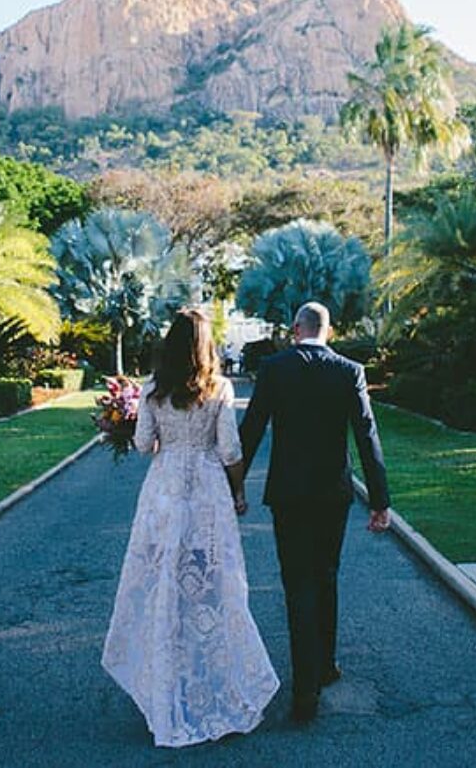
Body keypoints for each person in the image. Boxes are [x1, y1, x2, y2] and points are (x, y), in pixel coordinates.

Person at [102, 307, 279, 747]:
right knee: (212, 586)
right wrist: (238, 493)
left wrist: (133, 426)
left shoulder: (152, 389)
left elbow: (144, 445)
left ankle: (164, 684)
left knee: (163, 584)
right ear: (205, 345)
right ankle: (213, 681)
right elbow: (230, 449)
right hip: (206, 493)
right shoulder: (219, 387)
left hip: (163, 494)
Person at [237, 301, 391, 723]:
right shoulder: (348, 371)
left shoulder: (275, 369)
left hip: (288, 494)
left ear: (295, 329)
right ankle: (323, 664)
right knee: (326, 576)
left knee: (297, 584)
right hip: (332, 494)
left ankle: (306, 688)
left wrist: (232, 485)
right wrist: (380, 501)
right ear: (330, 331)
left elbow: (251, 429)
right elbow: (367, 436)